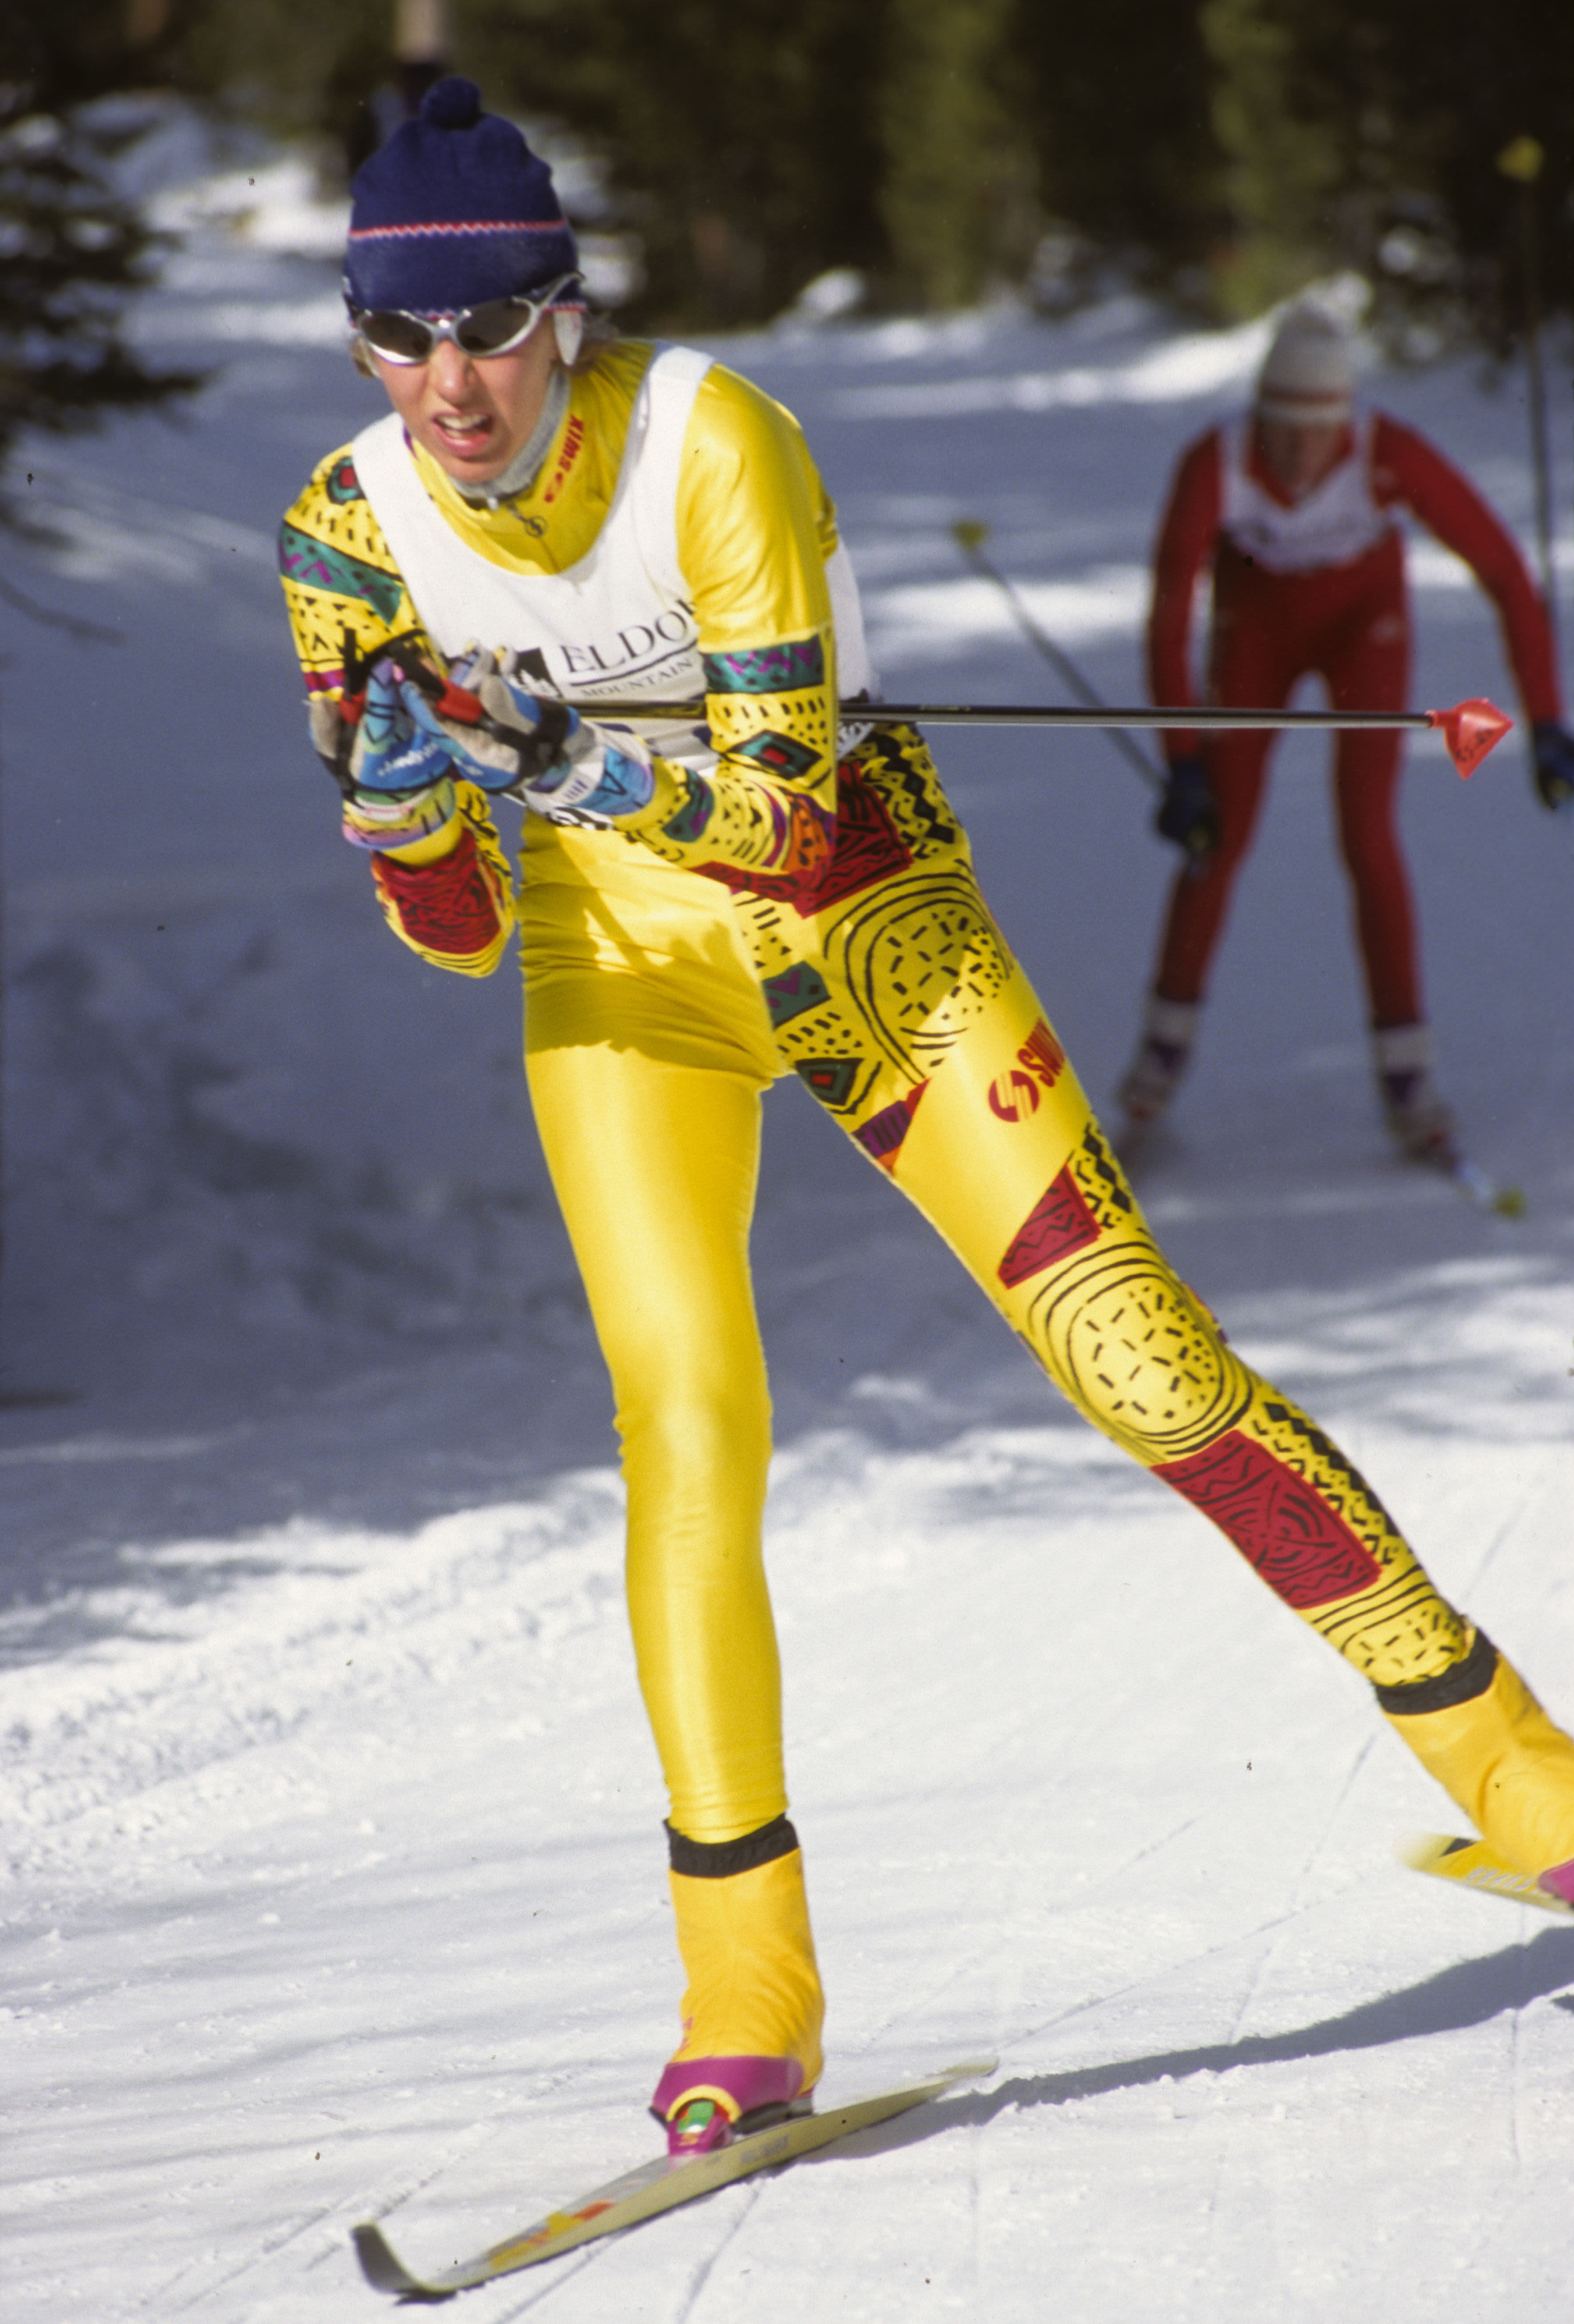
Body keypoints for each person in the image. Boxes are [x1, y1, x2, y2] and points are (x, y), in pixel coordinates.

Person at [279, 84, 1574, 2158]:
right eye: (393, 337)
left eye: (492, 329)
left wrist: (560, 751)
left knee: (1140, 1363)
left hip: (860, 925)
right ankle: (746, 1990)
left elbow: (788, 832)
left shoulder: (716, 441)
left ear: (569, 312)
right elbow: (442, 933)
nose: (446, 386)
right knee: (682, 1426)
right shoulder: (344, 537)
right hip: (619, 985)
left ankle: (1523, 1779)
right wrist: (400, 796)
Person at [1118, 302, 1574, 1154]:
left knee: (1367, 836)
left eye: (1314, 430)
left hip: (1363, 616)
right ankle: (1158, 1061)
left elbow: (1508, 575)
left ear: (1345, 418)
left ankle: (1407, 1073)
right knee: (1218, 835)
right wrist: (1182, 761)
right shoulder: (1212, 463)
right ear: (1257, 412)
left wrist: (1547, 720)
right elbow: (1167, 618)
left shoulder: (1387, 453)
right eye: (1278, 428)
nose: (1294, 453)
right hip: (1255, 619)